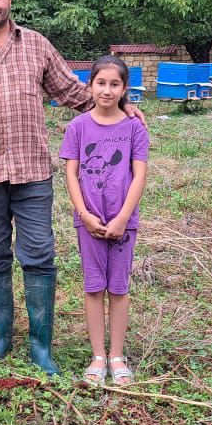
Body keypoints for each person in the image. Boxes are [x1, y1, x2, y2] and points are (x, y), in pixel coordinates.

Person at [0, 0, 144, 374]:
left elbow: (72, 91)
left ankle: (40, 346)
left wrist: (119, 107)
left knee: (39, 257)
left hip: (32, 172)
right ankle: (0, 339)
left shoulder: (36, 45)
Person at [60, 56, 149, 385]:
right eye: (101, 83)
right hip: (90, 221)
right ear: (90, 85)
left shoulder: (134, 128)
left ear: (125, 88)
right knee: (94, 287)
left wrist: (123, 217)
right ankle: (98, 356)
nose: (107, 90)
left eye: (115, 84)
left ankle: (117, 356)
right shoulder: (78, 127)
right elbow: (70, 173)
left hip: (123, 223)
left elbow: (139, 174)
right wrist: (83, 214)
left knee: (119, 288)